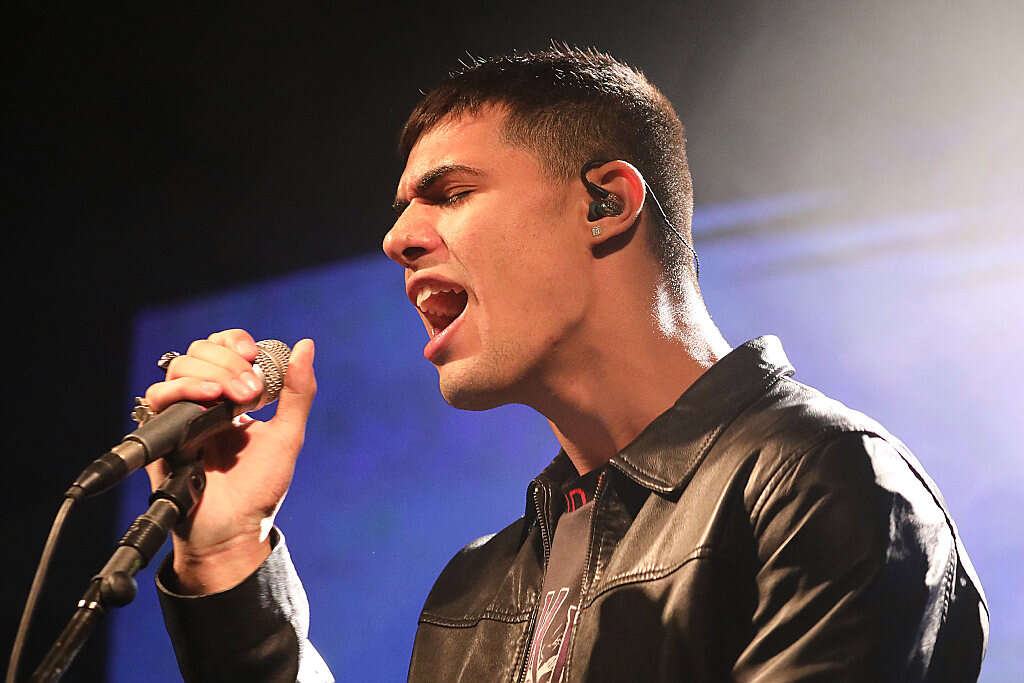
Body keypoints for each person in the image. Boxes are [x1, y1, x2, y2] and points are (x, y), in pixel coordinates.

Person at [145, 46, 988, 682]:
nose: (396, 239)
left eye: (450, 193)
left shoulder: (820, 480)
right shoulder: (476, 588)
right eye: (402, 210)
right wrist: (227, 554)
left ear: (604, 202)